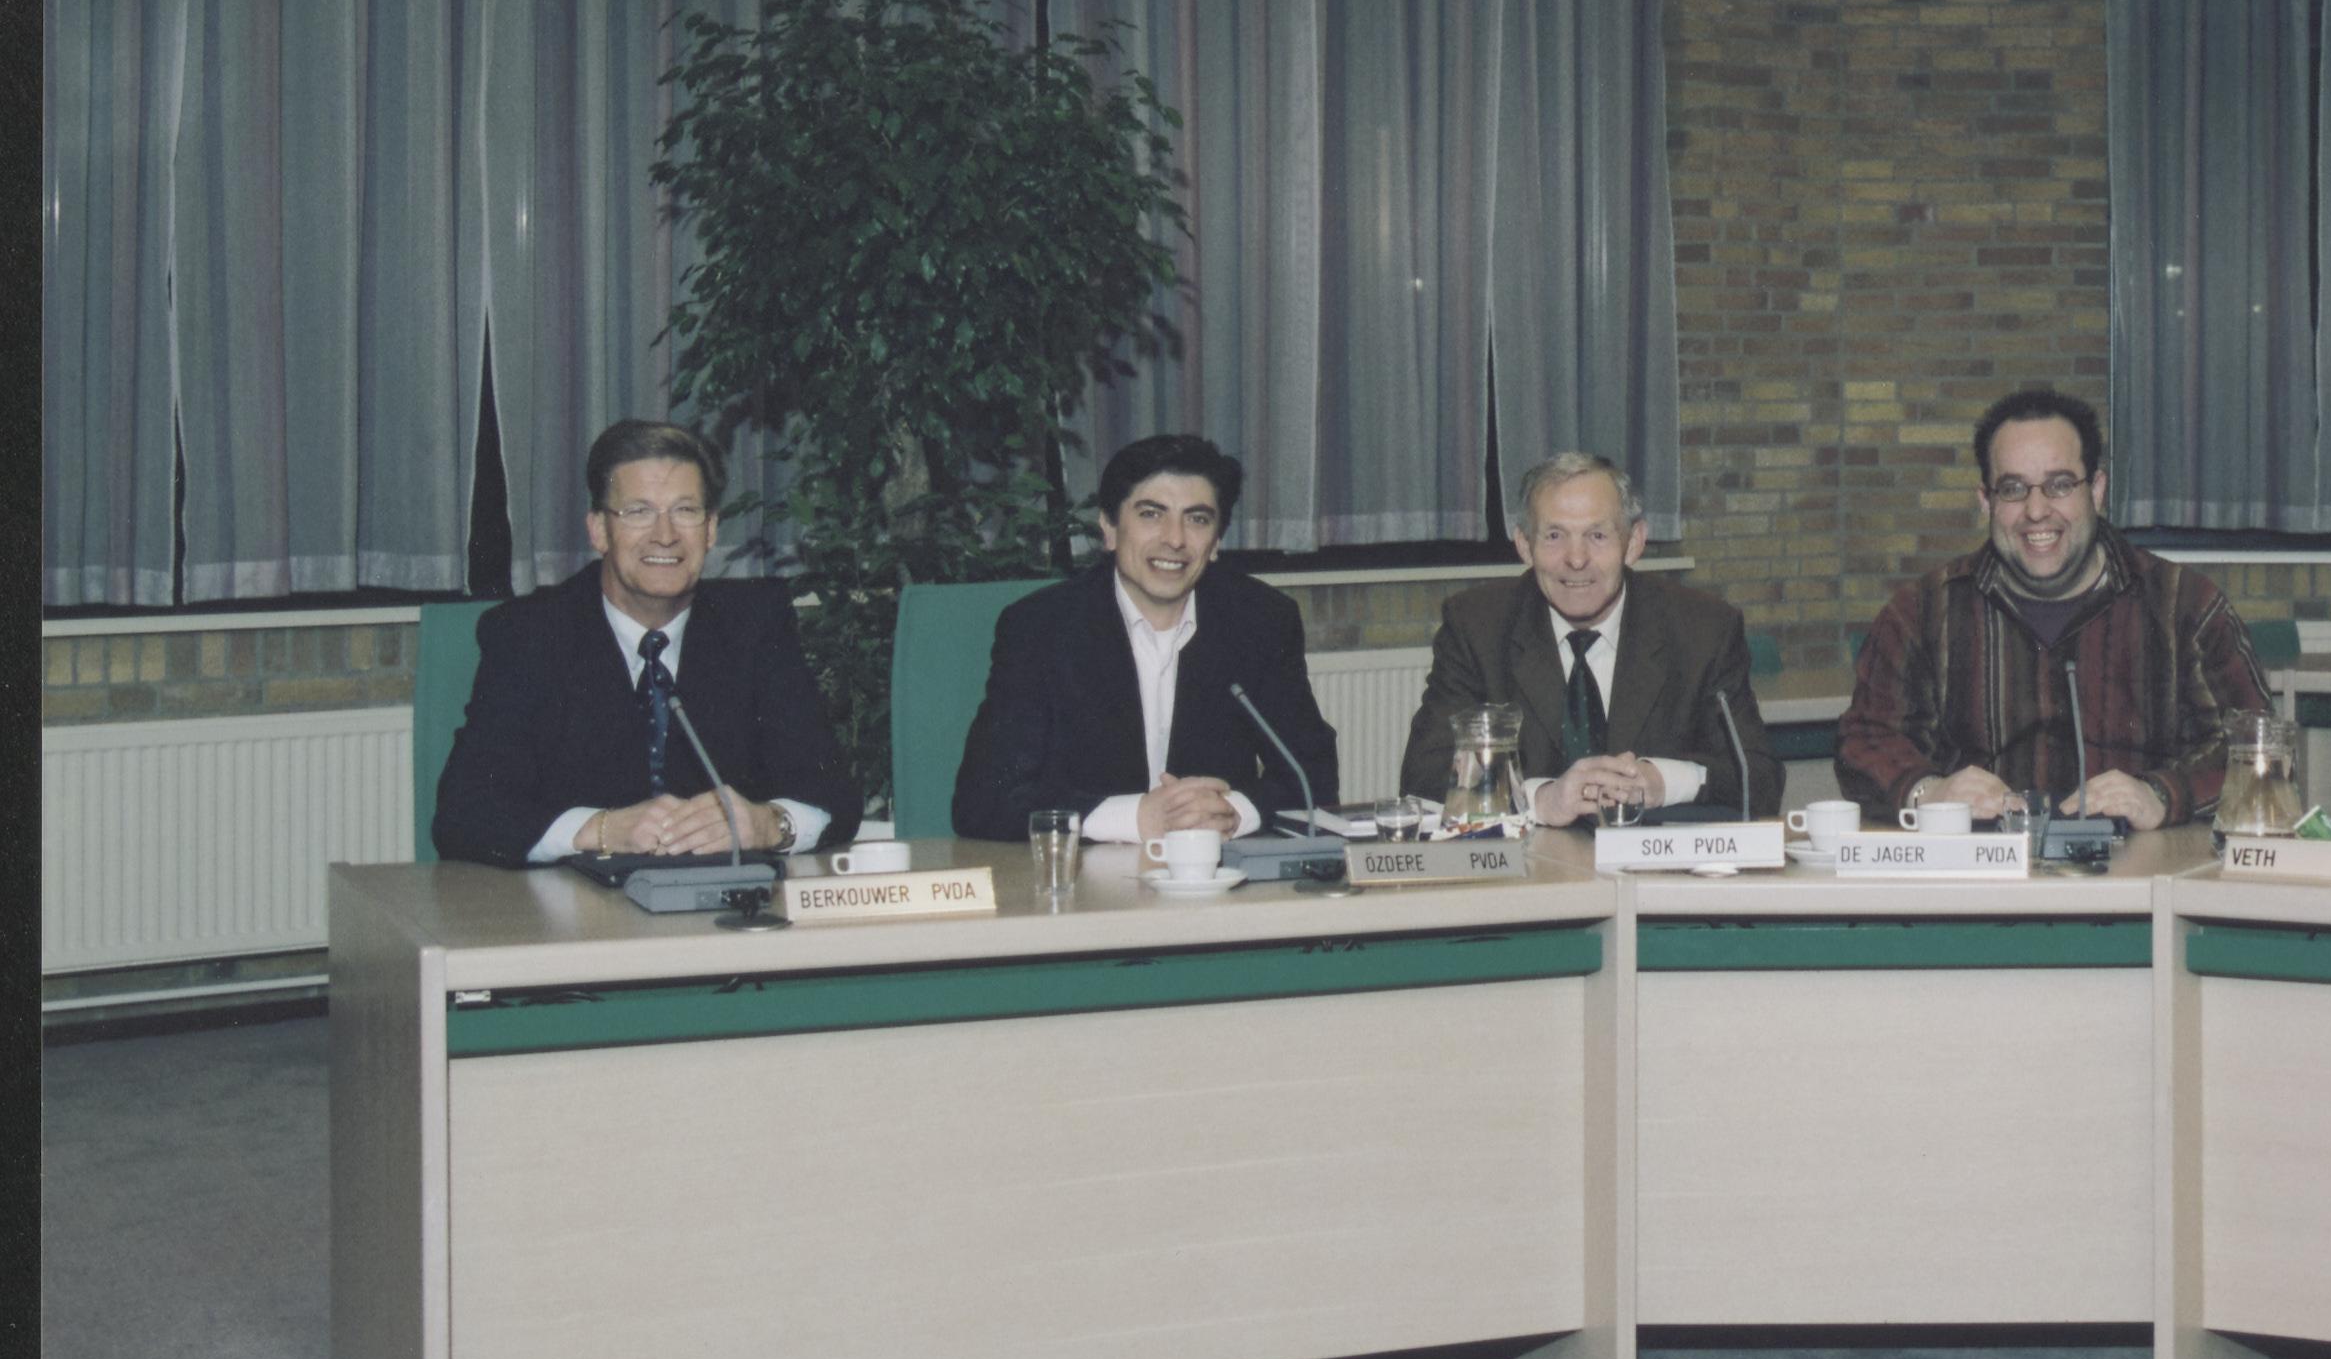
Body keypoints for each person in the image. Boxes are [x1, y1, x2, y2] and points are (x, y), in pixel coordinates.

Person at [432, 420, 860, 870]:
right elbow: (465, 813)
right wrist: (598, 829)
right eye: (638, 511)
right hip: (573, 904)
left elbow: (834, 795)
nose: (665, 535)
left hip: (721, 903)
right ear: (599, 530)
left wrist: (769, 825)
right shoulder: (532, 633)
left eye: (685, 511)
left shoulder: (755, 626)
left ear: (711, 530)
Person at [1836, 389, 2272, 829]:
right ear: (1986, 502)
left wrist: (2162, 795)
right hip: (1981, 864)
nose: (2036, 511)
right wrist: (1929, 792)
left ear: (2096, 491)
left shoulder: (2187, 608)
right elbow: (1864, 740)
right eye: (2013, 489)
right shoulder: (1923, 614)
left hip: (2141, 864)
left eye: (2060, 485)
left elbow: (2258, 751)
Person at [951, 435, 1340, 843]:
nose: (1175, 539)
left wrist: (1231, 813)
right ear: (1109, 528)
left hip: (1213, 869)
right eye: (1151, 514)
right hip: (1088, 871)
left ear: (1215, 543)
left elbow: (1313, 775)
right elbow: (983, 801)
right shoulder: (1042, 628)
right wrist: (1136, 818)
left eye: (1197, 519)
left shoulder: (1259, 621)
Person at [1396, 452, 1782, 823]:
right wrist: (1538, 800)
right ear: (1524, 546)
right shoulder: (1477, 627)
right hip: (1529, 861)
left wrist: (1663, 780)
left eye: (1597, 535)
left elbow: (1759, 779)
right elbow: (1423, 776)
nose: (1576, 559)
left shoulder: (1703, 629)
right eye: (1554, 536)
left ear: (1633, 543)